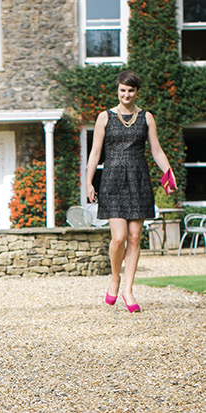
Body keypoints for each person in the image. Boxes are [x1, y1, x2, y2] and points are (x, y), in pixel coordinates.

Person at [86, 70, 175, 313]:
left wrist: (169, 172)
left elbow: (156, 151)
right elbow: (95, 153)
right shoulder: (104, 117)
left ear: (137, 92)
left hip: (138, 179)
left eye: (131, 90)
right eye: (122, 90)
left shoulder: (147, 118)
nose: (126, 94)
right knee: (119, 237)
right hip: (112, 180)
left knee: (135, 237)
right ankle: (115, 278)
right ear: (118, 90)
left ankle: (128, 289)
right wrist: (89, 181)